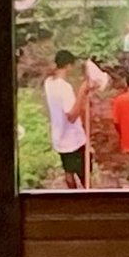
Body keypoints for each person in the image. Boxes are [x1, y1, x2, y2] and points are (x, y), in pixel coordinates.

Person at [43, 50, 90, 188]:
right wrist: (82, 92)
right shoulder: (64, 88)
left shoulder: (49, 83)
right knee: (84, 174)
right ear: (68, 66)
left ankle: (72, 196)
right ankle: (87, 198)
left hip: (59, 136)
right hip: (73, 139)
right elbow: (72, 115)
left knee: (68, 171)